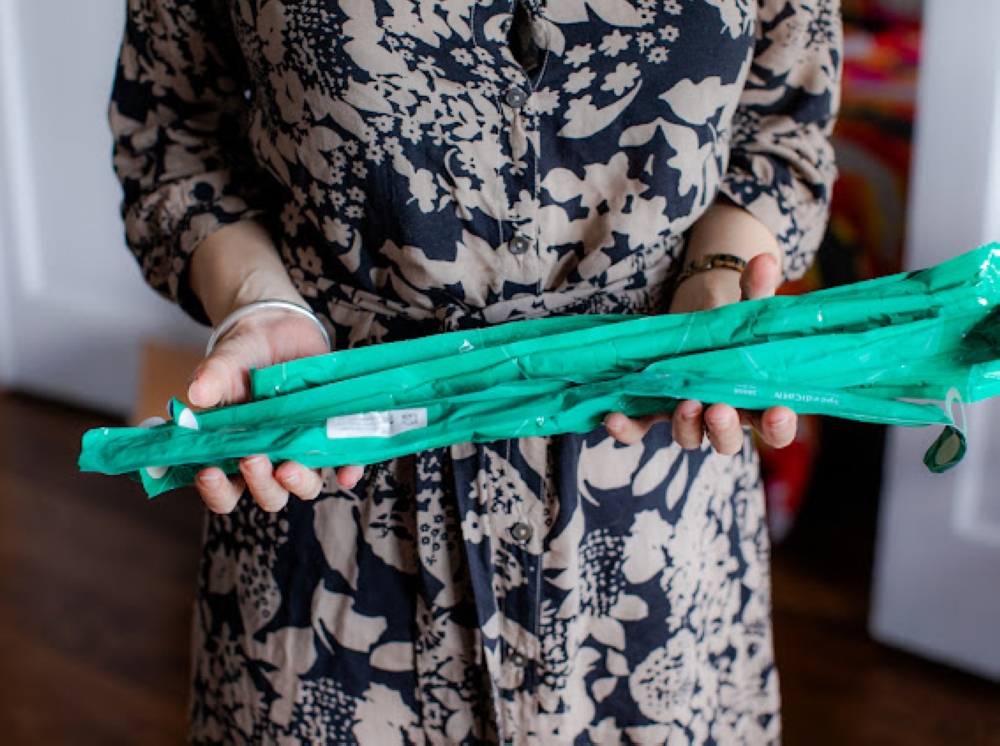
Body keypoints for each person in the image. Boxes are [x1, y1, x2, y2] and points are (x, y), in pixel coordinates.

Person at [110, 0, 840, 742]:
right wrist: (254, 302)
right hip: (339, 495)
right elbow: (173, 133)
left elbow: (782, 127)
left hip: (655, 504)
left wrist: (715, 279)